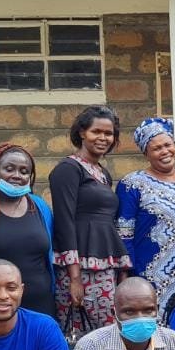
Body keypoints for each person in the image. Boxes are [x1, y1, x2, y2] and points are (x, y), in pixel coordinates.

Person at [50, 105, 130, 332]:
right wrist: (75, 278)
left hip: (104, 265)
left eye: (109, 133)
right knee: (84, 332)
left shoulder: (102, 173)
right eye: (97, 132)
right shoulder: (67, 169)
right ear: (82, 132)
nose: (103, 138)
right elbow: (64, 222)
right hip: (80, 268)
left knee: (109, 331)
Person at [116, 117, 175, 313]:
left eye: (168, 144)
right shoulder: (132, 184)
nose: (165, 151)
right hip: (152, 278)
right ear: (146, 154)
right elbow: (124, 235)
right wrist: (127, 275)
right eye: (157, 148)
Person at [0, 143, 55, 318]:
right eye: (9, 169)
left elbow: (50, 256)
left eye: (24, 171)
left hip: (41, 307)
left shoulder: (39, 206)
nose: (17, 175)